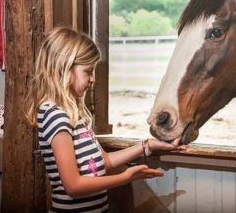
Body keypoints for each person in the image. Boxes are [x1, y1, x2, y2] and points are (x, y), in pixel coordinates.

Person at [26, 26, 184, 212]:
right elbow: (73, 186)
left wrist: (146, 146)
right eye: (88, 71)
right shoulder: (56, 117)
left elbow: (104, 161)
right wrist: (125, 178)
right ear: (64, 68)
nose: (93, 79)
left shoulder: (74, 116)